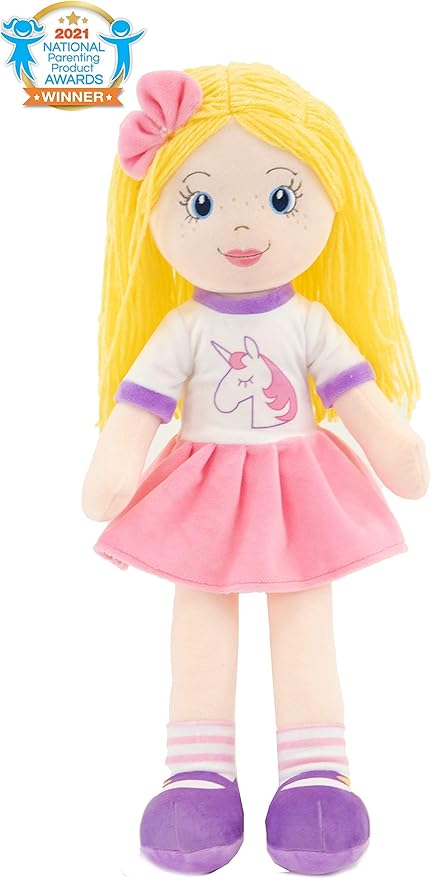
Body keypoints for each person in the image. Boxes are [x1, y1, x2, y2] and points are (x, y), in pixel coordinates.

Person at [82, 65, 429, 874]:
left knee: (303, 622)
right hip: (203, 492)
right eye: (200, 204)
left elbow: (356, 396)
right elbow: (140, 406)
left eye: (278, 197)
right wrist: (114, 462)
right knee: (200, 624)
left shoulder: (309, 322)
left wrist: (397, 449)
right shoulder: (181, 327)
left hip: (296, 488)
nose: (242, 224)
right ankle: (197, 773)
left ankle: (314, 773)